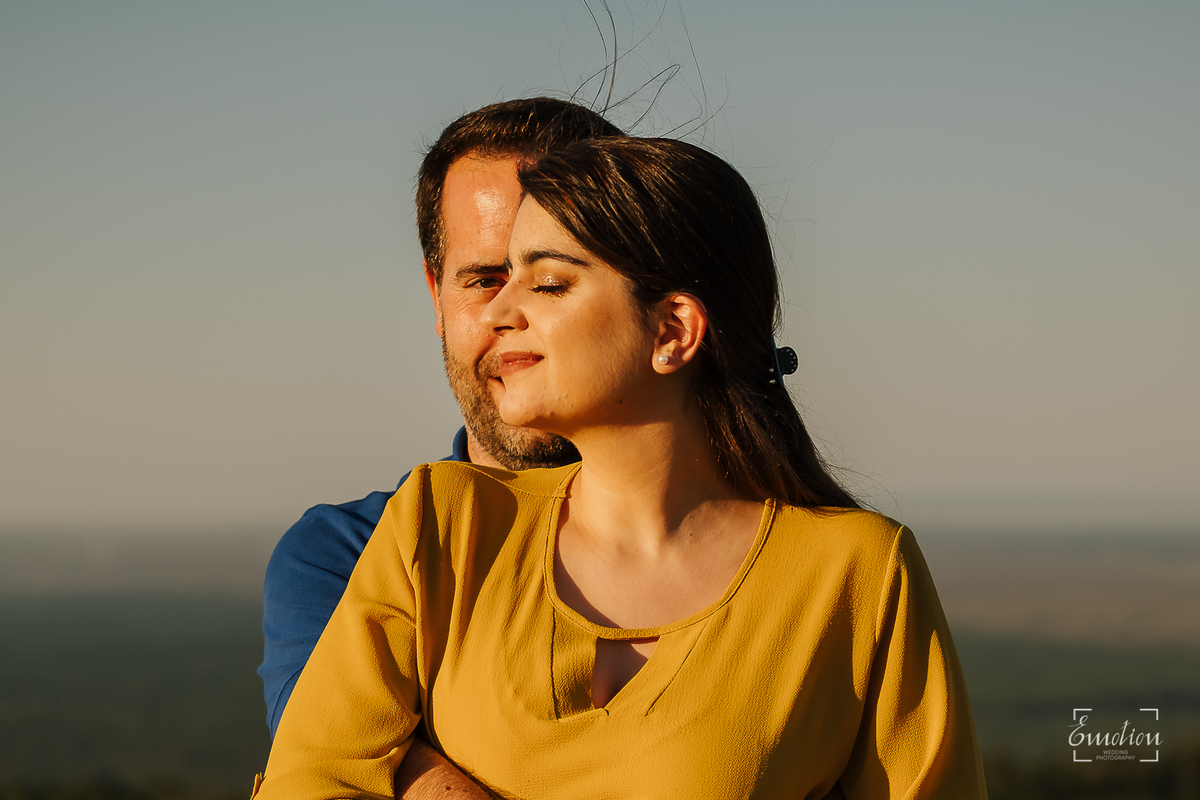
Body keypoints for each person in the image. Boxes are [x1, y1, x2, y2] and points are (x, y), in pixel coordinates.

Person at [251, 137, 987, 798]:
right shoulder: (439, 525)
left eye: (546, 283)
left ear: (672, 330)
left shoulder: (857, 573)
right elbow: (309, 781)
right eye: (493, 278)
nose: (497, 311)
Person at [258, 97, 624, 795]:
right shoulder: (346, 554)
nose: (514, 316)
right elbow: (334, 762)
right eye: (484, 280)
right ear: (436, 296)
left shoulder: (798, 554)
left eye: (555, 279)